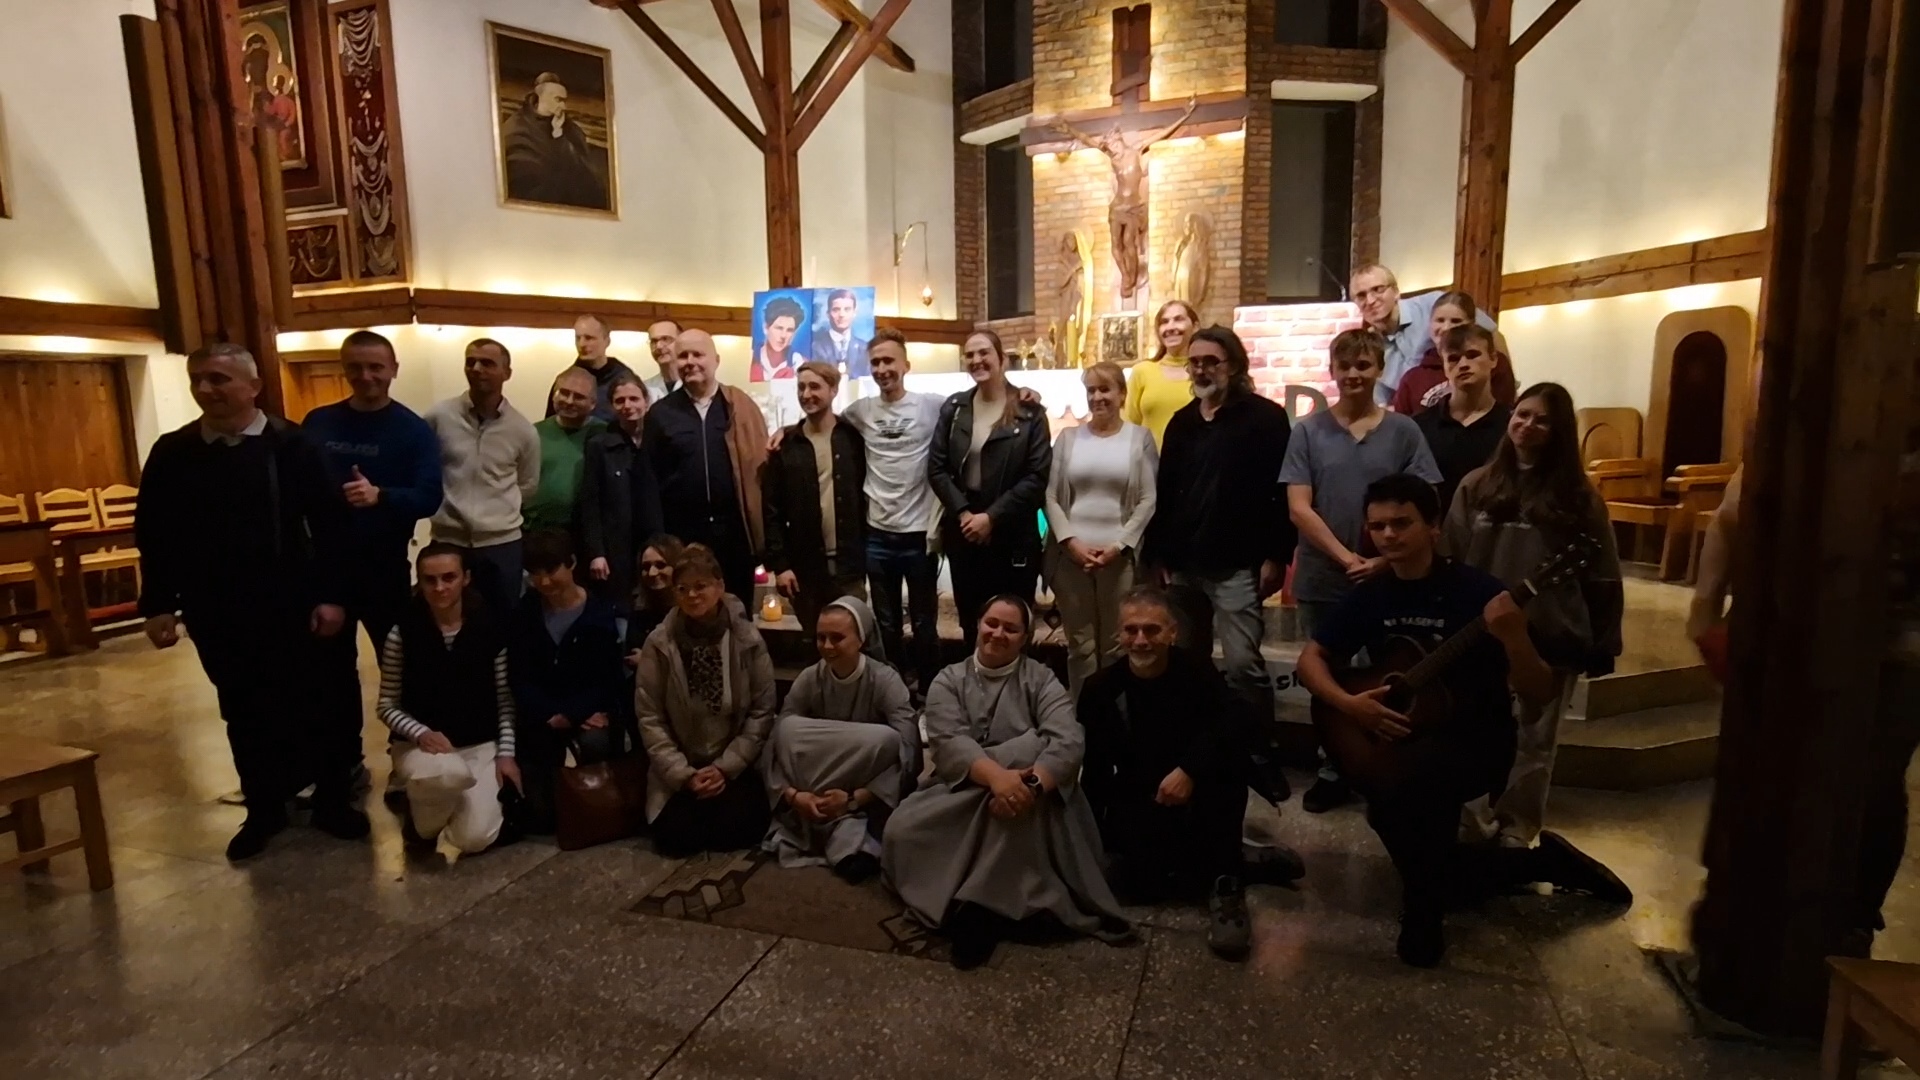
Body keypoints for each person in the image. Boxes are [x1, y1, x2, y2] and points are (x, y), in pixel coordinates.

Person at [1295, 473, 1559, 967]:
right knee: (1397, 801)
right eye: (1378, 526)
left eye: (1402, 523)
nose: (1388, 535)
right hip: (1402, 732)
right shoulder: (1373, 593)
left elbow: (1539, 691)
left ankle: (1424, 912)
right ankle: (1531, 865)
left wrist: (1515, 637)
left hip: (1475, 738)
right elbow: (1311, 659)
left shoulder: (1478, 592)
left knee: (1409, 796)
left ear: (1434, 527)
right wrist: (1350, 705)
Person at [135, 342, 364, 860]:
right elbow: (156, 533)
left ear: (253, 386)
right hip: (219, 609)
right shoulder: (173, 453)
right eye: (198, 379)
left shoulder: (294, 446)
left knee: (319, 702)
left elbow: (331, 526)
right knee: (243, 708)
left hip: (295, 603)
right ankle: (264, 808)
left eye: (219, 379)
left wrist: (332, 596)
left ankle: (332, 800)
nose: (206, 389)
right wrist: (158, 603)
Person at [883, 596, 1133, 969]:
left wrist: (1030, 785)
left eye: (1011, 628)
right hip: (964, 789)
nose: (998, 634)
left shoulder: (1042, 679)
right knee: (900, 831)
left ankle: (978, 909)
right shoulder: (948, 680)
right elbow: (948, 742)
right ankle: (1013, 907)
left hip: (1031, 796)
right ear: (978, 625)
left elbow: (1068, 740)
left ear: (1025, 638)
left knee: (1014, 814)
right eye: (992, 623)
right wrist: (1003, 774)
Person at [1443, 383, 1627, 876]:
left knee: (1534, 740)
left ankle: (1517, 827)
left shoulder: (1578, 498)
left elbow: (1604, 572)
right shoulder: (1477, 485)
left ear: (1558, 431)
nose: (1527, 426)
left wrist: (1604, 639)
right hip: (1480, 634)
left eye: (1542, 420)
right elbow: (1450, 554)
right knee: (1470, 730)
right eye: (1522, 414)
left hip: (1551, 632)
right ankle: (1468, 821)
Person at [1080, 588, 1307, 961]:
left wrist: (1189, 769)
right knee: (1143, 885)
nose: (1141, 640)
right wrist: (1092, 843)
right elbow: (1096, 771)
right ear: (1118, 634)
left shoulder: (1196, 671)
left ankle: (1227, 879)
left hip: (1200, 785)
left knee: (1227, 761)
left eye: (1152, 630)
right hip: (1144, 790)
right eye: (1131, 630)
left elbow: (1237, 719)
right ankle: (1242, 859)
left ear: (1172, 633)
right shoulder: (1100, 688)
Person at [1282, 327, 1441, 813]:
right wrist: (1346, 558)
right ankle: (1334, 768)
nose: (1353, 374)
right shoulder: (1308, 432)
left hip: (1389, 580)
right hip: (1325, 576)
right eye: (1345, 365)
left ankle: (1383, 764)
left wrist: (1382, 561)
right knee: (1331, 678)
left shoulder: (1404, 431)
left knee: (1390, 674)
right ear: (1332, 371)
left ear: (1379, 369)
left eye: (1363, 365)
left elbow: (1425, 501)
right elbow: (1299, 506)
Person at [1143, 325, 1295, 724]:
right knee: (1186, 663)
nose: (1201, 370)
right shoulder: (1182, 423)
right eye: (1194, 362)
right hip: (1184, 565)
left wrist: (1277, 555)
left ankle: (1256, 745)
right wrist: (1158, 554)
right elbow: (1165, 492)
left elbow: (1281, 492)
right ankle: (1198, 741)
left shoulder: (1266, 418)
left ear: (1235, 364)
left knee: (1243, 665)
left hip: (1236, 564)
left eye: (1211, 361)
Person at [299, 329, 444, 657]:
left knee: (399, 664)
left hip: (385, 571)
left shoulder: (414, 430)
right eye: (355, 367)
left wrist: (381, 496)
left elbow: (430, 497)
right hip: (325, 571)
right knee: (329, 673)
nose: (365, 376)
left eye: (375, 367)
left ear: (394, 369)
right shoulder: (318, 422)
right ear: (344, 369)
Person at [376, 543, 520, 858]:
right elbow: (386, 704)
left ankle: (438, 809)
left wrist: (506, 754)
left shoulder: (491, 627)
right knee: (446, 774)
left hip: (479, 744)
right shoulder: (403, 631)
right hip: (421, 746)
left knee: (475, 838)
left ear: (465, 578)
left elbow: (505, 700)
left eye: (449, 577)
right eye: (430, 580)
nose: (440, 588)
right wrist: (420, 733)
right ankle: (422, 828)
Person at [634, 544, 777, 856]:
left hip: (731, 762)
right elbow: (650, 717)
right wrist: (683, 774)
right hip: (681, 765)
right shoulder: (659, 644)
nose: (692, 596)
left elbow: (762, 711)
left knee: (742, 828)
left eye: (700, 586)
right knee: (675, 839)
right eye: (682, 589)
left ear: (719, 587)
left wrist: (725, 768)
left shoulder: (747, 639)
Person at [763, 597, 920, 880]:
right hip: (812, 784)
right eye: (821, 637)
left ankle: (842, 827)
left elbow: (910, 750)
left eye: (837, 638)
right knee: (785, 728)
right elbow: (777, 741)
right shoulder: (809, 678)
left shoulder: (885, 680)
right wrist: (794, 796)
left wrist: (853, 799)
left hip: (863, 786)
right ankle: (826, 819)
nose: (827, 646)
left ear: (861, 640)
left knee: (888, 740)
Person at [929, 330, 1052, 648]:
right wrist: (964, 514)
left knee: (1013, 624)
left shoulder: (1029, 411)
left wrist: (991, 517)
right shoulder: (955, 408)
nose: (977, 360)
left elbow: (1037, 476)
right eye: (970, 354)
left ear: (1002, 359)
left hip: (1012, 532)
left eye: (984, 352)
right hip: (965, 531)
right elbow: (936, 468)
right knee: (972, 624)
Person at [842, 327, 947, 695]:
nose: (882, 369)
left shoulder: (931, 405)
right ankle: (896, 692)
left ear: (906, 365)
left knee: (924, 624)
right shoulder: (860, 410)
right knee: (885, 625)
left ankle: (931, 692)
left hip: (918, 535)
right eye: (875, 362)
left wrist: (1022, 393)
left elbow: (979, 401)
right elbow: (822, 420)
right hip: (878, 534)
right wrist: (786, 431)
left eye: (889, 361)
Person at [1045, 361, 1158, 696]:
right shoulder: (1068, 438)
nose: (1097, 397)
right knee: (1080, 647)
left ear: (1122, 394)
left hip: (1118, 559)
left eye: (1105, 389)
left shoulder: (1139, 438)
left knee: (1116, 645)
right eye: (1091, 390)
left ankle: (1114, 715)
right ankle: (1082, 715)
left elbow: (1149, 498)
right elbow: (1051, 496)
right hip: (1071, 558)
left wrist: (1119, 546)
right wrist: (1071, 543)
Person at [507, 530, 628, 833]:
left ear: (571, 563)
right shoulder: (525, 613)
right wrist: (549, 713)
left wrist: (574, 713)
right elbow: (519, 675)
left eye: (551, 570)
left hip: (587, 713)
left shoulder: (601, 613)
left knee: (596, 743)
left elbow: (609, 677)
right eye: (536, 573)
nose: (544, 581)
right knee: (540, 817)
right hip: (541, 716)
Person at [644, 328, 769, 602]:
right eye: (683, 356)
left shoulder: (737, 406)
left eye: (698, 354)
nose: (690, 362)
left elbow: (762, 469)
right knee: (689, 609)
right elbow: (649, 480)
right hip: (682, 534)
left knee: (736, 609)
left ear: (716, 360)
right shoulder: (660, 414)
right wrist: (658, 537)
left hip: (734, 533)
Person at [426, 338, 542, 615]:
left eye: (487, 363)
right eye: (471, 362)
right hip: (448, 540)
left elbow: (527, 485)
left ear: (507, 373)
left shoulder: (523, 430)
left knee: (502, 621)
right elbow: (423, 470)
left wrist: (495, 515)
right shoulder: (438, 417)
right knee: (445, 618)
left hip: (501, 545)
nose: (477, 369)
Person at [763, 361, 869, 633]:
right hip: (805, 570)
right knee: (814, 640)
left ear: (833, 390)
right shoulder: (786, 445)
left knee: (853, 638)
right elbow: (772, 510)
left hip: (850, 566)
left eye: (814, 387)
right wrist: (781, 566)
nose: (806, 394)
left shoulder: (853, 438)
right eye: (801, 387)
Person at [1349, 263, 1498, 407]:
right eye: (1361, 295)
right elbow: (1381, 402)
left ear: (1396, 291)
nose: (1370, 300)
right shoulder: (1371, 349)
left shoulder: (1435, 305)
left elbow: (1492, 334)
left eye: (1378, 289)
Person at [580, 373, 663, 613]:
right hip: (616, 547)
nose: (628, 406)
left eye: (634, 399)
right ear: (611, 406)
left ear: (646, 401)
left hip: (656, 542)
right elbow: (590, 503)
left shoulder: (660, 441)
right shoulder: (599, 445)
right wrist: (596, 553)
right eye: (620, 400)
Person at [1416, 323, 1512, 515]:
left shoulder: (1511, 426)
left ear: (1493, 359)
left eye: (1472, 355)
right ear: (1444, 367)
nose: (1463, 364)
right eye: (1453, 358)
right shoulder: (1420, 427)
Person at [501, 71, 605, 210]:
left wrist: (559, 136)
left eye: (564, 100)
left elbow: (587, 177)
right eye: (558, 99)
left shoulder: (571, 129)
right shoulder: (517, 128)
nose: (564, 106)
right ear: (542, 97)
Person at [525, 366, 607, 535]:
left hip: (587, 533)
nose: (569, 401)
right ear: (553, 395)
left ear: (593, 403)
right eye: (564, 393)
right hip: (537, 531)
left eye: (579, 397)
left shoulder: (606, 434)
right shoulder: (532, 433)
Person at [1123, 299, 1199, 447]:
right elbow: (1129, 425)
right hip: (1150, 460)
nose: (1170, 327)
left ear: (1195, 327)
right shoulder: (1142, 371)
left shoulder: (1203, 374)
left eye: (1178, 319)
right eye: (1164, 322)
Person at [560, 313, 640, 423]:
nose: (582, 344)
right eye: (578, 338)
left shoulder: (624, 377)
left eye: (589, 338)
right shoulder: (565, 381)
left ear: (607, 341)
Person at [624, 535, 686, 662]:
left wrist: (649, 661)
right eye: (646, 567)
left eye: (660, 565)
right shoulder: (638, 611)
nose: (652, 573)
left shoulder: (692, 608)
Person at [810, 288, 870, 377]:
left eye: (847, 309)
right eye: (836, 310)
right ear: (828, 314)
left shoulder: (865, 348)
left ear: (854, 313)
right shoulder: (815, 347)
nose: (841, 315)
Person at [753, 296, 807, 382]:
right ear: (766, 328)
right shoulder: (751, 358)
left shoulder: (801, 364)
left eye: (789, 330)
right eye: (779, 328)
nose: (783, 336)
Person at [642, 319, 682, 403]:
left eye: (666, 339)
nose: (659, 346)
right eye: (654, 341)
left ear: (681, 342)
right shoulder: (644, 388)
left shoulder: (696, 385)